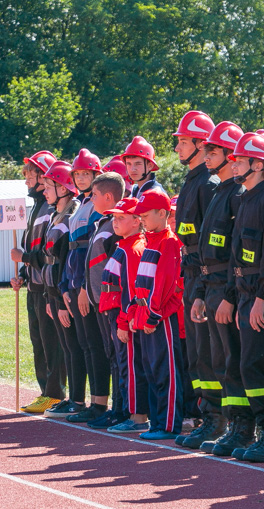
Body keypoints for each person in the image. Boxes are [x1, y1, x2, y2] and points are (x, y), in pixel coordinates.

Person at [183, 121, 254, 454]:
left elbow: (237, 252)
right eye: (206, 149)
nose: (207, 154)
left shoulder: (235, 195)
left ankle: (238, 426)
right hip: (207, 283)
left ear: (230, 156)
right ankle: (214, 419)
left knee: (231, 360)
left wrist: (227, 294)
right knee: (210, 358)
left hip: (225, 287)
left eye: (213, 150)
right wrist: (199, 292)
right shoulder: (218, 190)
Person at [225, 132, 264, 462]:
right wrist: (239, 300)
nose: (233, 164)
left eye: (240, 160)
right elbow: (239, 258)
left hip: (261, 299)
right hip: (246, 297)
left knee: (258, 366)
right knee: (247, 365)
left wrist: (262, 298)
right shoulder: (245, 198)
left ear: (258, 164)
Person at [10, 150, 66, 413]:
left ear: (43, 176)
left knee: (51, 343)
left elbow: (47, 253)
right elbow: (30, 248)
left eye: (29, 175)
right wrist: (22, 273)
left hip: (47, 288)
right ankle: (45, 392)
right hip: (33, 285)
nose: (26, 181)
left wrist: (26, 258)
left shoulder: (52, 209)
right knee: (38, 342)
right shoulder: (36, 208)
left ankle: (55, 394)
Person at [172, 111, 219, 424]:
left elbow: (207, 239)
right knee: (196, 351)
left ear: (201, 145)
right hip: (189, 273)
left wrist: (200, 282)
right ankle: (202, 414)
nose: (177, 149)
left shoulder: (207, 184)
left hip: (201, 274)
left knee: (206, 349)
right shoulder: (192, 181)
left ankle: (215, 416)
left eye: (183, 142)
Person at [129, 189, 186, 440]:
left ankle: (168, 424)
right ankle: (156, 422)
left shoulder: (169, 241)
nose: (141, 218)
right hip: (145, 316)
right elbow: (141, 282)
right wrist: (134, 311)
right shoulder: (150, 239)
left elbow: (167, 284)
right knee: (152, 372)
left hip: (161, 319)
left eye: (146, 214)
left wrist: (153, 315)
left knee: (167, 373)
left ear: (162, 213)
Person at [60, 149, 111, 422]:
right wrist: (66, 286)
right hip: (75, 283)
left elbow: (90, 253)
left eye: (86, 173)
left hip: (88, 287)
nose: (81, 178)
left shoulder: (96, 207)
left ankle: (100, 402)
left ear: (96, 174)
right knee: (85, 344)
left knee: (94, 345)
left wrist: (81, 287)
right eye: (77, 174)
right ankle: (92, 402)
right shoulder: (81, 204)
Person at [34, 161, 84, 418]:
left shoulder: (70, 219)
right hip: (53, 293)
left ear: (64, 188)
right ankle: (72, 399)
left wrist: (62, 302)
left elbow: (64, 263)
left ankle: (77, 399)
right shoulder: (57, 216)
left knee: (74, 349)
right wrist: (48, 296)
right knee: (67, 348)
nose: (44, 191)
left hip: (64, 295)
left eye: (49, 185)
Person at [85, 172, 129, 429]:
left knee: (119, 356)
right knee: (112, 356)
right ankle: (117, 406)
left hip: (113, 305)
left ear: (109, 197)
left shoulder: (114, 228)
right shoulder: (104, 223)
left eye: (94, 195)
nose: (91, 200)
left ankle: (122, 409)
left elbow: (116, 272)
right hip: (102, 304)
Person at [102, 197, 151, 433]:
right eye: (114, 217)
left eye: (121, 218)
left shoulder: (133, 249)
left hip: (126, 320)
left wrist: (123, 321)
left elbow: (132, 292)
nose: (115, 222)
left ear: (136, 221)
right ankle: (131, 413)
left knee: (132, 366)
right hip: (116, 318)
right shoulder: (123, 246)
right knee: (125, 365)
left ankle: (138, 417)